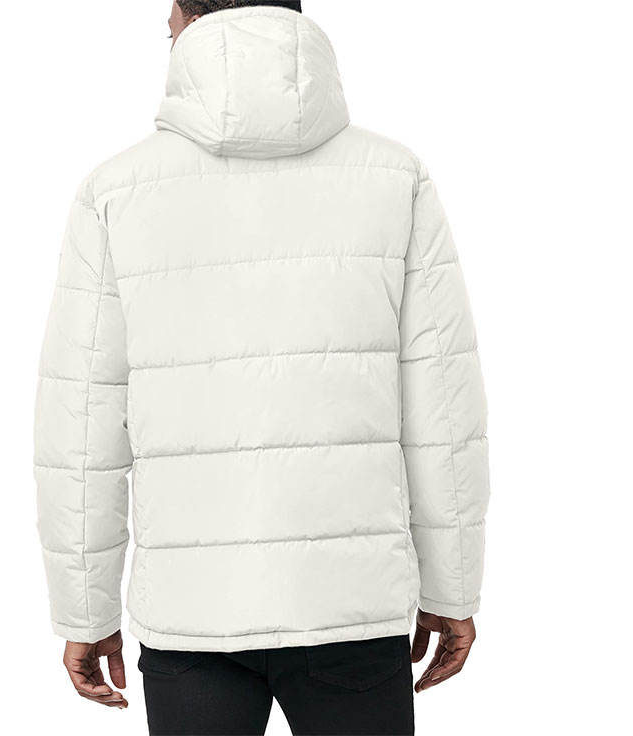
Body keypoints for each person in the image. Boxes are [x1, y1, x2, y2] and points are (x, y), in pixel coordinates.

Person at [34, 1, 490, 734]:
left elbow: (80, 427)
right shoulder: (393, 176)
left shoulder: (116, 190)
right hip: (351, 606)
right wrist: (452, 584)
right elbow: (442, 405)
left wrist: (84, 609)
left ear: (186, 23)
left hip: (191, 611)